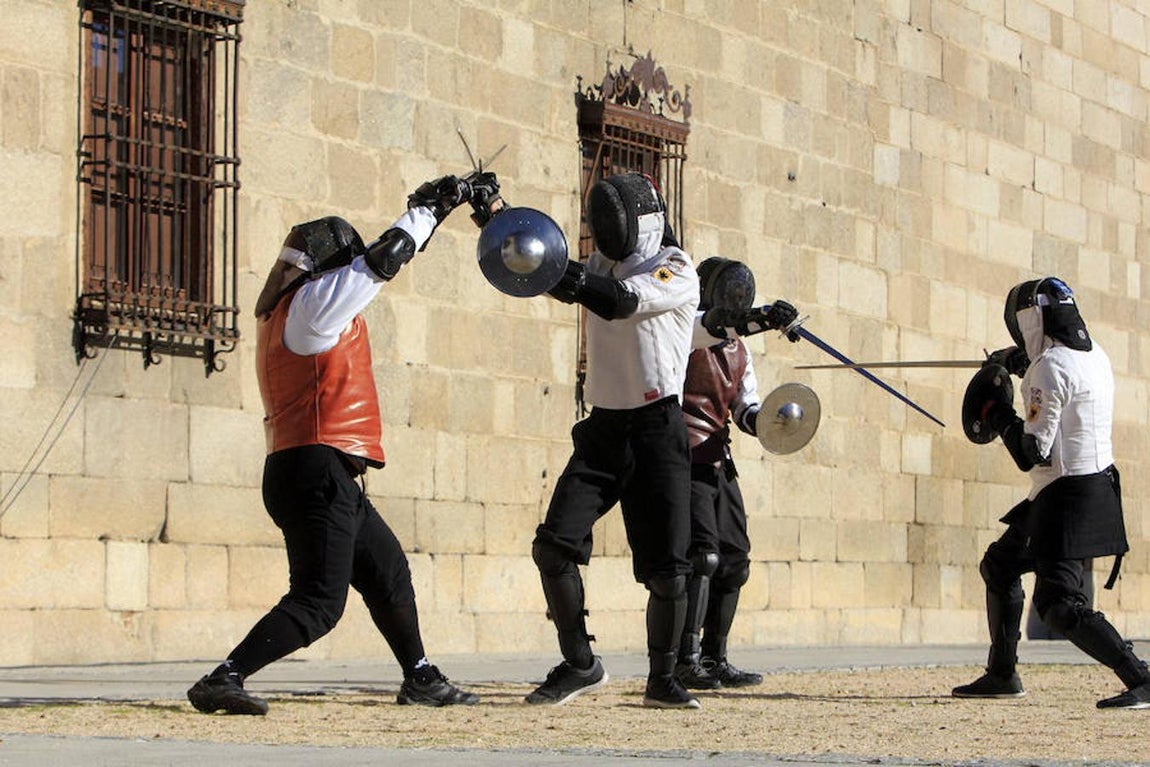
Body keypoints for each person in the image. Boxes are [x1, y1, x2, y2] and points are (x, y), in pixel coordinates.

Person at [186, 172, 500, 715]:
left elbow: (381, 263)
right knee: (318, 602)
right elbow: (386, 259)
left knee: (387, 570)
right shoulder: (312, 305)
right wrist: (430, 209)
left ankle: (420, 677)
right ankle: (225, 677)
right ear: (330, 266)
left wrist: (435, 210)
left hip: (316, 469)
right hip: (314, 469)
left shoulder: (292, 309)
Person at [521, 172, 702, 708]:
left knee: (668, 570)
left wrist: (568, 277)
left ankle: (663, 680)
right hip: (603, 431)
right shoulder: (599, 265)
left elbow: (620, 302)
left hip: (657, 428)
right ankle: (581, 663)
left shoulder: (676, 268)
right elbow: (546, 272)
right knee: (553, 546)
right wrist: (503, 222)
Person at [953, 276, 1150, 709]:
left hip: (1066, 500)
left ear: (1032, 320)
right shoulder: (1095, 355)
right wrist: (1020, 362)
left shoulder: (1050, 367)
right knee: (1001, 564)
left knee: (1059, 604)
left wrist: (999, 412)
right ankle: (1002, 674)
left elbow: (1032, 452)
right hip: (1083, 488)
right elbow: (1060, 382)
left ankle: (1142, 678)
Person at [674, 257, 798, 690]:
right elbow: (714, 325)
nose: (735, 301)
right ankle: (684, 659)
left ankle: (715, 656)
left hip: (717, 456)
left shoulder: (740, 351)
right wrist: (762, 319)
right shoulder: (686, 328)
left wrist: (771, 420)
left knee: (734, 558)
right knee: (701, 554)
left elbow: (745, 407)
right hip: (685, 452)